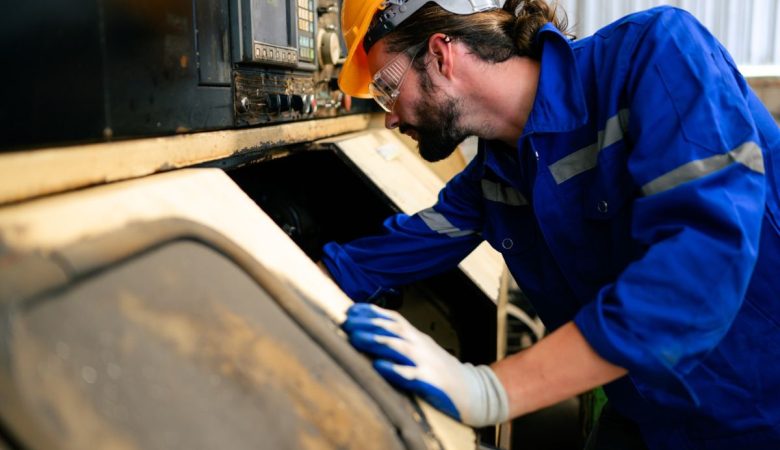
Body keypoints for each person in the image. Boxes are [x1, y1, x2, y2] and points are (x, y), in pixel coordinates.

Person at [320, 0, 780, 448]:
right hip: (652, 418)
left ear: (441, 54)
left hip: (759, 411)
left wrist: (490, 391)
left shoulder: (656, 54)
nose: (391, 115)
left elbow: (700, 270)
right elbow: (382, 256)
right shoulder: (494, 178)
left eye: (386, 86)